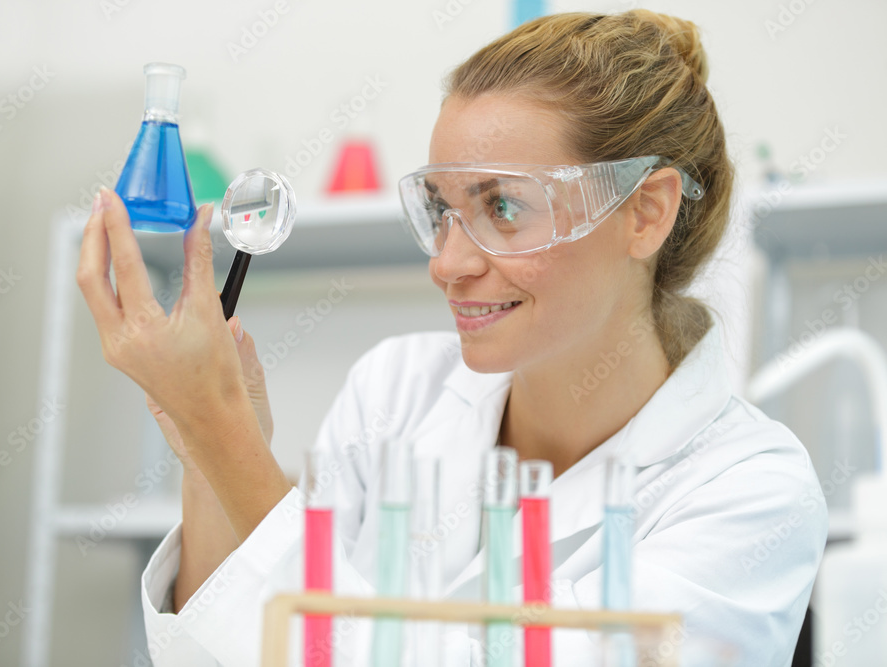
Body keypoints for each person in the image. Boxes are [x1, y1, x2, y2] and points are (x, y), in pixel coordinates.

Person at [75, 9, 827, 667]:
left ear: (645, 212)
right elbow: (226, 649)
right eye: (441, 209)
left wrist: (226, 434)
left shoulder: (750, 492)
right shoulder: (396, 387)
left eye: (504, 207)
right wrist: (206, 450)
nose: (447, 262)